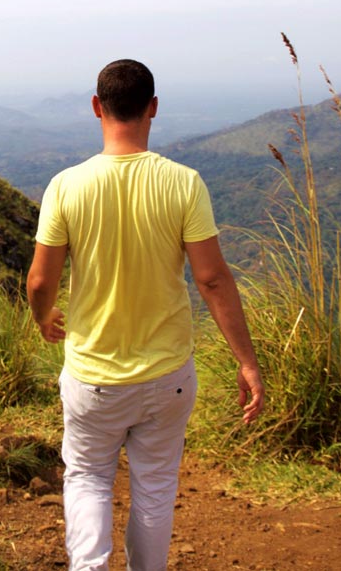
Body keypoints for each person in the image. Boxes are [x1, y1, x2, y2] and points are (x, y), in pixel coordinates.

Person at [27, 58, 265, 571]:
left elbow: (41, 280)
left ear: (97, 107)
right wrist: (246, 361)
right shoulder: (184, 184)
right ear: (153, 108)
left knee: (88, 477)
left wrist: (44, 319)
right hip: (167, 376)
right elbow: (213, 279)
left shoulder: (66, 185)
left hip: (93, 376)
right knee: (155, 486)